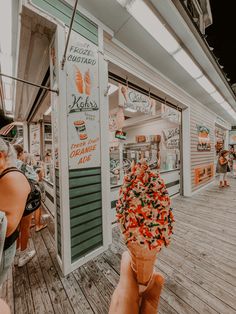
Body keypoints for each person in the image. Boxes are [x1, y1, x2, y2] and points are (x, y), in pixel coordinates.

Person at [0, 138, 30, 284]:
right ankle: (22, 252)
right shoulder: (18, 171)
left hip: (6, 244)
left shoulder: (13, 177)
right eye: (23, 152)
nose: (24, 154)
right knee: (24, 228)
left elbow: (7, 229)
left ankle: (22, 252)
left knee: (24, 228)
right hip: (8, 241)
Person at [13, 146, 37, 267]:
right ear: (20, 153)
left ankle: (16, 254)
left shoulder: (5, 165)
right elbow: (35, 179)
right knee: (25, 227)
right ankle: (23, 255)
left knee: (15, 228)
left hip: (10, 203)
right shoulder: (23, 166)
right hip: (24, 200)